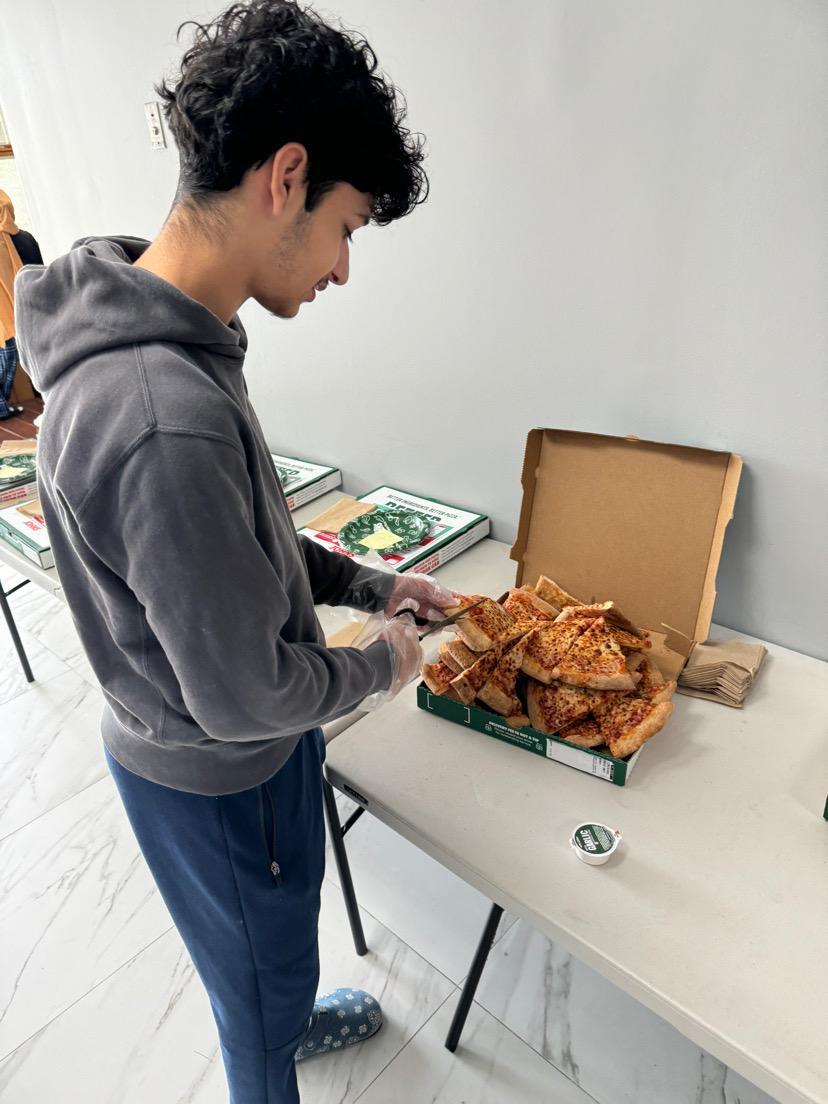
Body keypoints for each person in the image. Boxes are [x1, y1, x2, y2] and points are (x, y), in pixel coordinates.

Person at [15, 3, 455, 1101]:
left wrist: (366, 584)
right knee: (256, 992)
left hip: (224, 750)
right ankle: (274, 1046)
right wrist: (384, 661)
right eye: (347, 227)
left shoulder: (161, 338)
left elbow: (243, 543)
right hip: (222, 775)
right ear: (286, 177)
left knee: (271, 959)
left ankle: (286, 1014)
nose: (343, 269)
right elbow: (247, 693)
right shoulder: (161, 413)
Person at [0, 188, 41, 419]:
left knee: (8, 353)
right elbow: (39, 272)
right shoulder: (23, 238)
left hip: (10, 315)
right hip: (29, 309)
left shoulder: (19, 240)